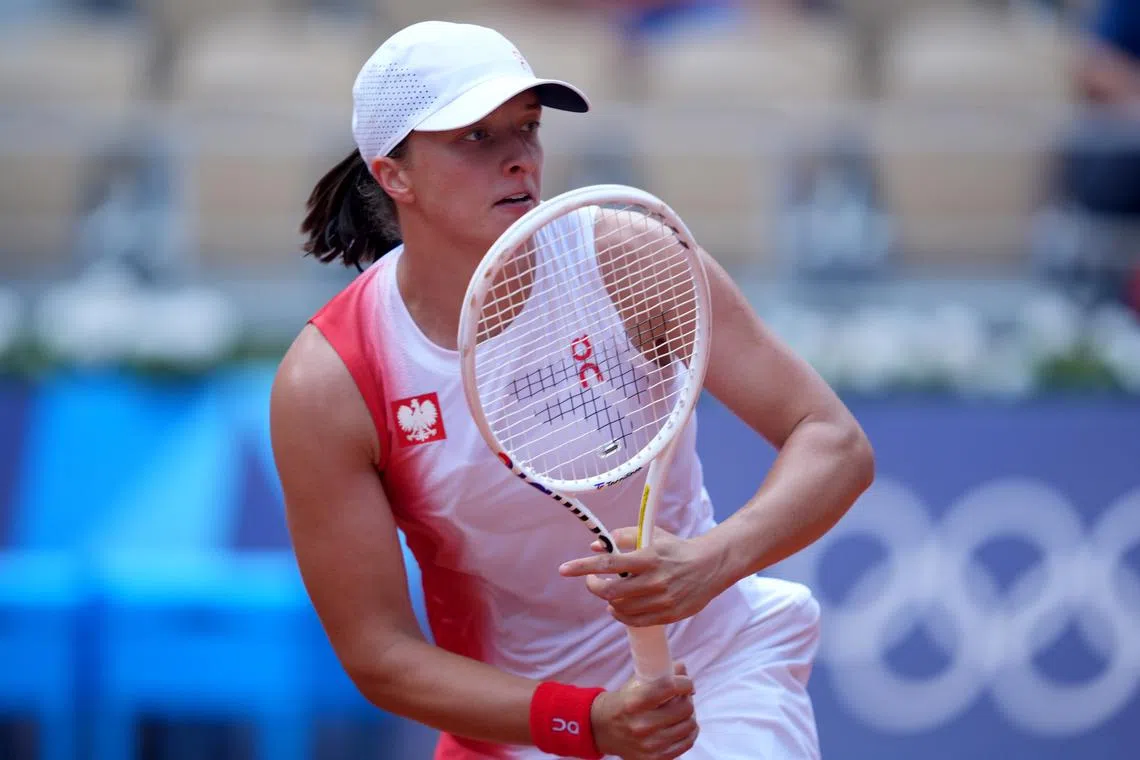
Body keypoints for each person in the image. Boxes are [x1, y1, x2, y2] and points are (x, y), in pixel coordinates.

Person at [270, 19, 874, 760]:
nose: (519, 159)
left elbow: (833, 441)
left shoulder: (628, 258)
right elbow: (380, 653)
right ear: (394, 174)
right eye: (476, 138)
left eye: (526, 128)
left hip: (715, 674)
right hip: (520, 723)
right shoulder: (331, 381)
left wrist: (712, 561)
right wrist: (584, 720)